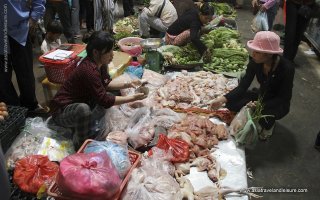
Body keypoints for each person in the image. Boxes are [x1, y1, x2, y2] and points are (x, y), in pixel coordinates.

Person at [49, 31, 147, 149]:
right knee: (83, 109)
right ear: (96, 52)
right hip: (62, 111)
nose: (112, 55)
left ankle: (90, 127)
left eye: (112, 50)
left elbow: (106, 84)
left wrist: (129, 84)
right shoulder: (88, 70)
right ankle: (80, 145)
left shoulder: (101, 64)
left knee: (109, 96)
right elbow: (104, 99)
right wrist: (133, 98)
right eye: (108, 52)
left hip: (84, 100)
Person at [210, 31, 295, 140]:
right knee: (231, 103)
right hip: (261, 94)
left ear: (269, 54)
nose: (253, 54)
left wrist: (259, 104)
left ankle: (269, 125)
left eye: (257, 52)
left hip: (276, 102)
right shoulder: (255, 62)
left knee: (262, 115)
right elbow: (243, 86)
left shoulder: (287, 68)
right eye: (254, 50)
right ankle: (257, 115)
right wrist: (222, 99)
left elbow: (283, 98)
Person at [0, 0, 48, 114]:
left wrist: (33, 18)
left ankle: (30, 106)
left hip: (19, 29)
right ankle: (14, 110)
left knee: (24, 72)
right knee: (2, 76)